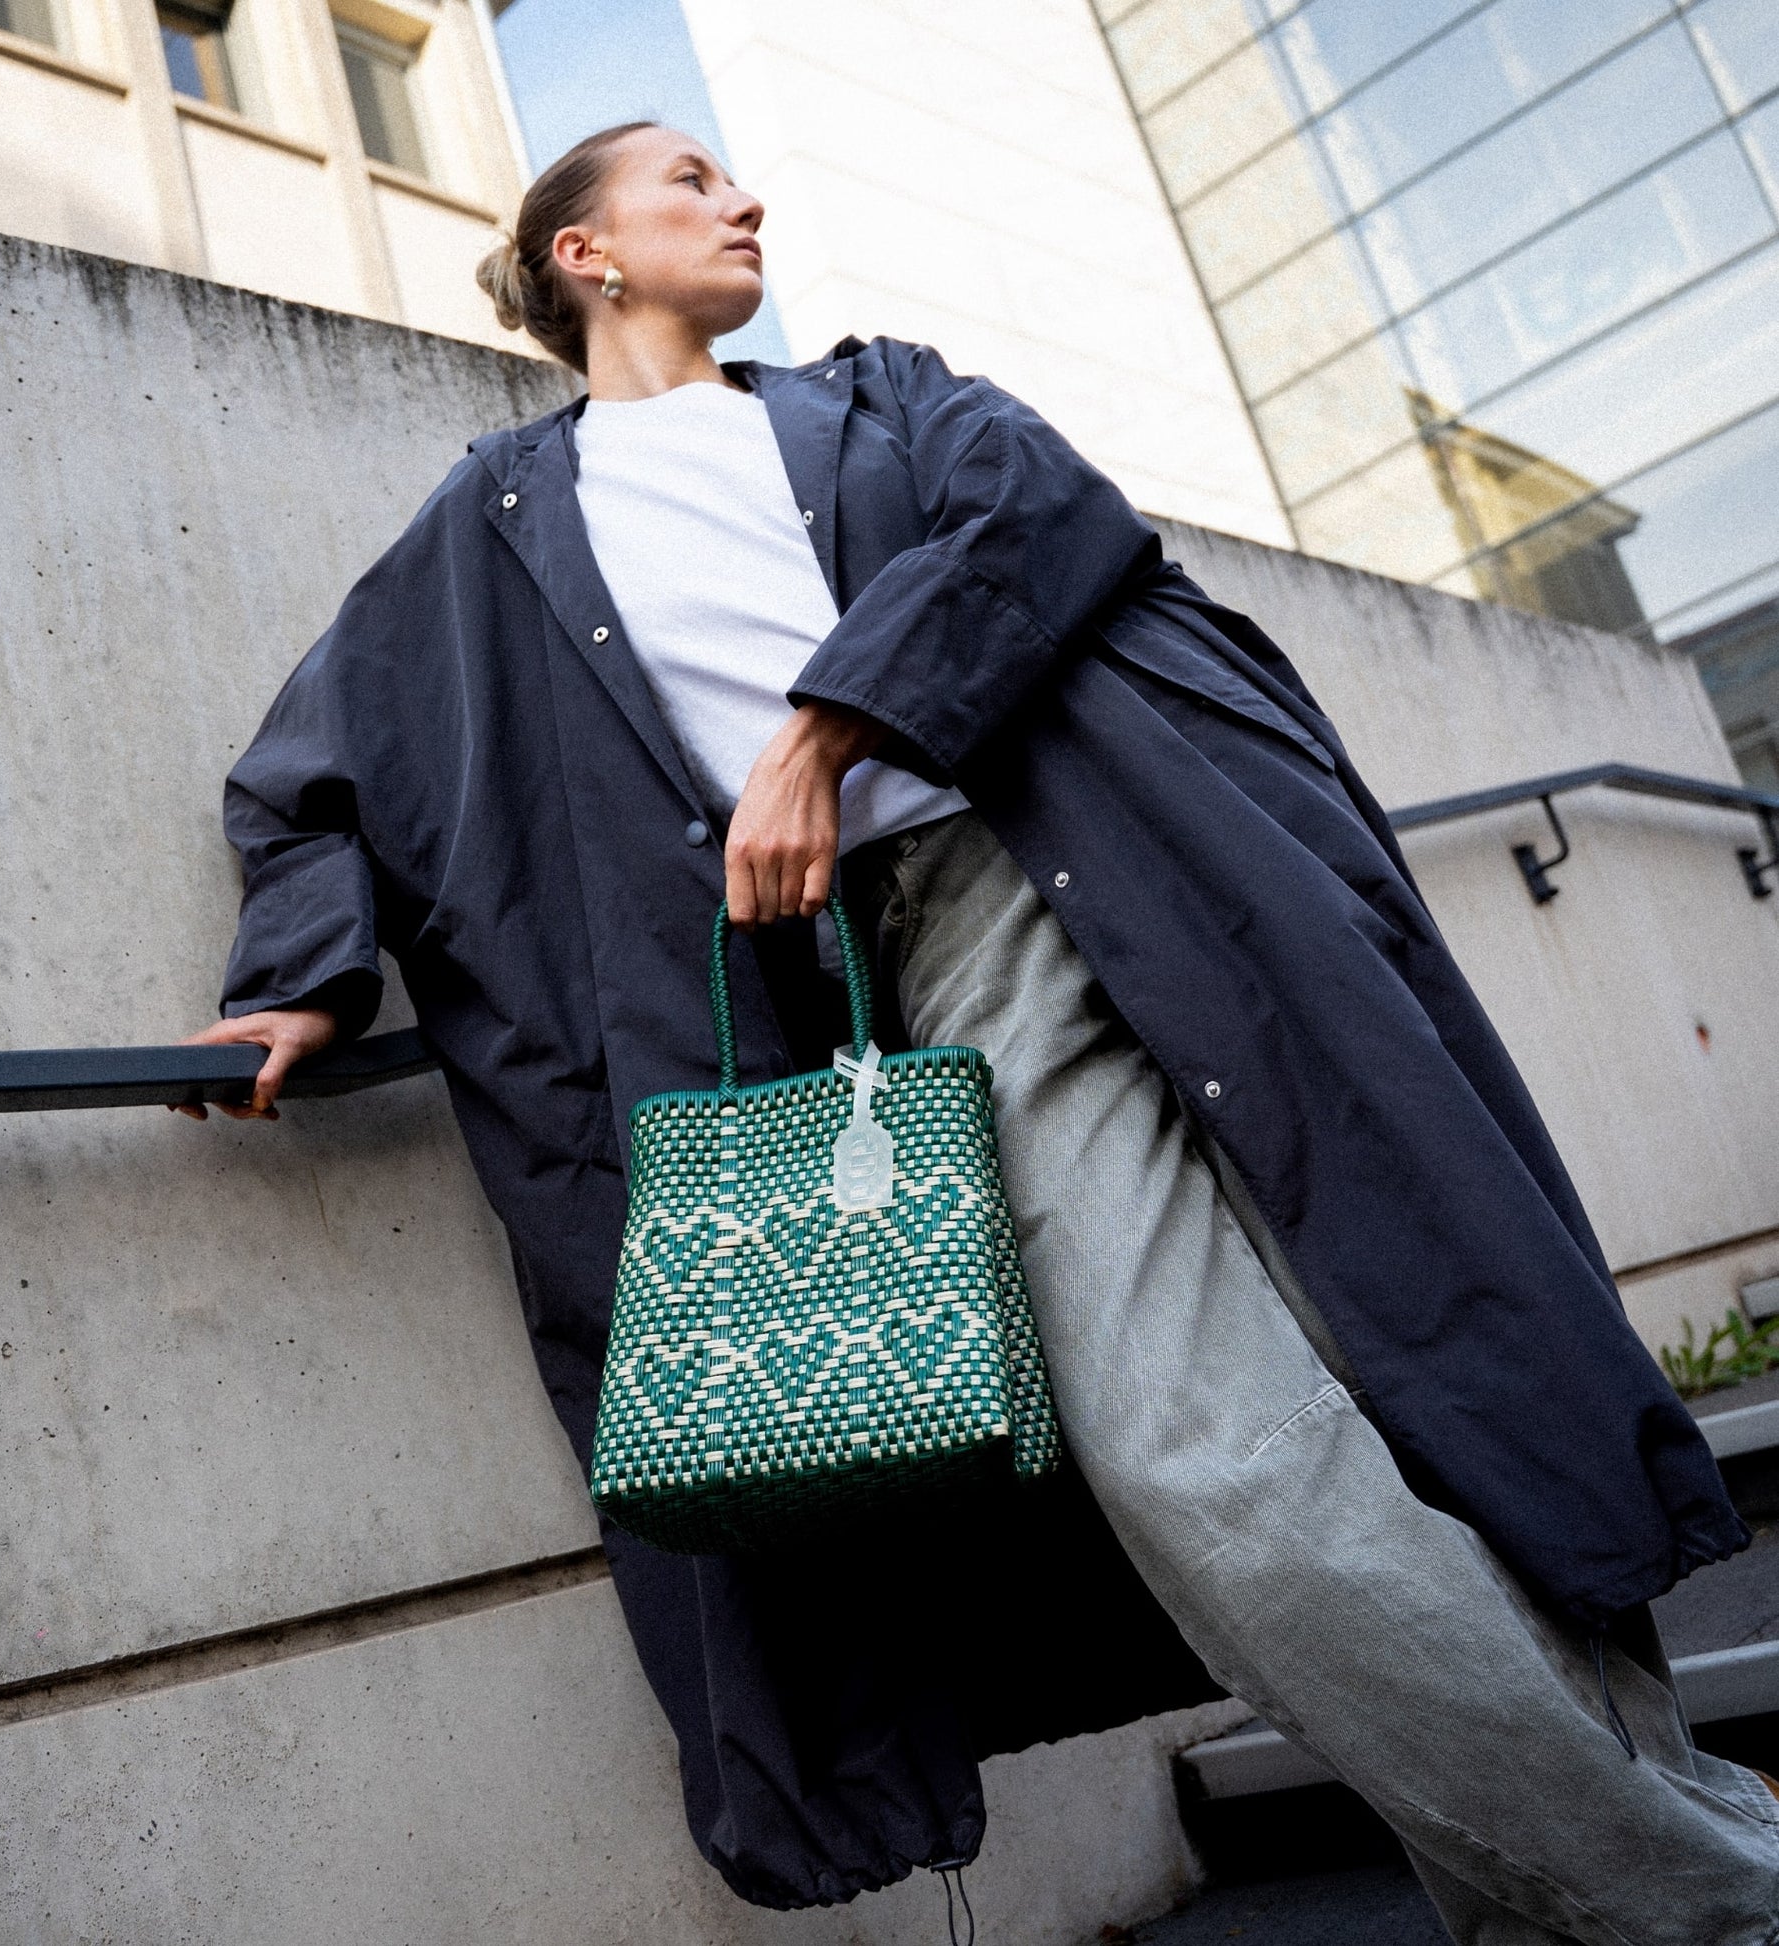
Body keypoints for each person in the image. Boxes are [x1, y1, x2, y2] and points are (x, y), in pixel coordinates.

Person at [178, 120, 1778, 1940]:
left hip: (1175, 878)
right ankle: (1711, 1890)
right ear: (582, 255)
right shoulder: (501, 522)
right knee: (1211, 1463)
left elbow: (1047, 517)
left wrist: (823, 730)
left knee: (1446, 1405)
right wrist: (302, 971)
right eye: (687, 180)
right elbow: (316, 762)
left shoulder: (888, 399)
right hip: (949, 956)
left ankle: (1595, 1899)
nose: (743, 197)